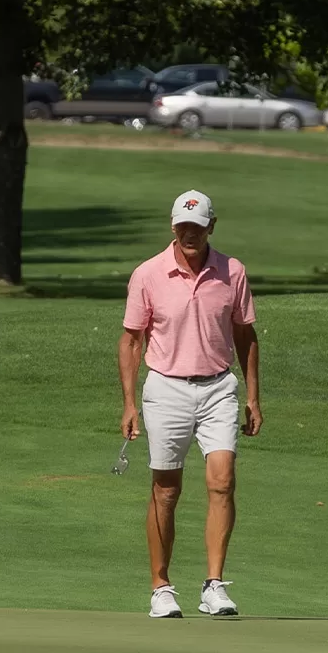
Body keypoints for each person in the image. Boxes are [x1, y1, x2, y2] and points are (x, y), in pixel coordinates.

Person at [119, 190, 262, 619]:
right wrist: (129, 404)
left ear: (211, 227)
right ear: (173, 226)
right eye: (183, 226)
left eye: (197, 227)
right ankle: (161, 587)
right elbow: (131, 340)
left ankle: (213, 585)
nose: (190, 234)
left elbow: (245, 335)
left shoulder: (232, 271)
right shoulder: (148, 274)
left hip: (218, 387)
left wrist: (253, 397)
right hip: (166, 388)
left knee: (223, 481)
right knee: (166, 489)